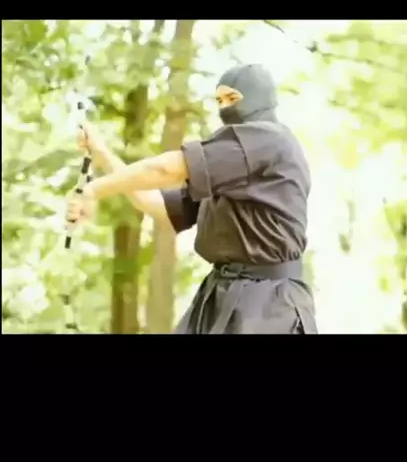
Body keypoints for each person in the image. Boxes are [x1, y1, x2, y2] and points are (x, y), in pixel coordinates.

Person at [67, 64, 318, 334]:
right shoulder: (231, 167)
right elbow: (154, 202)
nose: (225, 107)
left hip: (269, 307)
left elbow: (166, 170)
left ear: (260, 98)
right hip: (222, 297)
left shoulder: (269, 139)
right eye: (219, 101)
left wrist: (94, 190)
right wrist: (102, 153)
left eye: (232, 98)